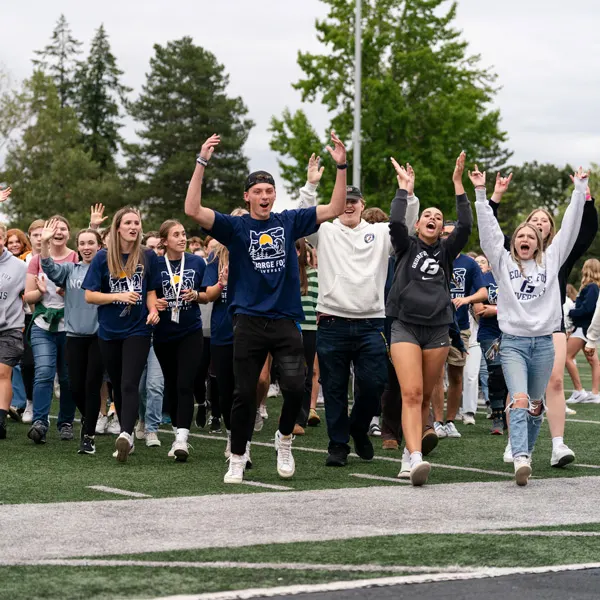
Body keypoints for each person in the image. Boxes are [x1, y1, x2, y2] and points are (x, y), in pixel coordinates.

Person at [184, 131, 348, 484]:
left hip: (285, 320)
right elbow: (192, 209)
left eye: (269, 191)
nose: (264, 196)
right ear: (247, 196)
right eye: (257, 191)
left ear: (274, 196)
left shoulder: (288, 221)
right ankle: (238, 456)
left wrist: (341, 166)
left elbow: (334, 208)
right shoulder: (237, 226)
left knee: (294, 387)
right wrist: (201, 161)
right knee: (244, 394)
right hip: (248, 322)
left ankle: (284, 438)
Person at [298, 155, 419, 466]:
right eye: (345, 200)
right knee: (335, 389)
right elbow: (301, 216)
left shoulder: (379, 233)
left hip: (370, 323)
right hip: (332, 321)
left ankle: (358, 427)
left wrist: (408, 193)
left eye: (354, 201)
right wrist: (311, 186)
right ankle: (338, 445)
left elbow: (405, 229)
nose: (349, 205)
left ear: (363, 205)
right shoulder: (324, 231)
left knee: (374, 384)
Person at [475, 165, 588, 485]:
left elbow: (568, 230)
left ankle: (531, 448)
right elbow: (489, 232)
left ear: (540, 243)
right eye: (520, 235)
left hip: (543, 343)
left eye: (531, 236)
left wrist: (579, 191)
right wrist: (482, 195)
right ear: (514, 243)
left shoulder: (552, 261)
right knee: (521, 398)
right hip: (513, 342)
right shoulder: (502, 261)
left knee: (537, 403)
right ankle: (521, 457)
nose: (525, 238)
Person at [386, 152, 472, 486]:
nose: (433, 218)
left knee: (422, 396)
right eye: (427, 215)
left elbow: (465, 225)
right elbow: (395, 222)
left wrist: (458, 184)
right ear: (418, 224)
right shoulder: (405, 246)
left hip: (437, 328)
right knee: (411, 392)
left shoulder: (447, 252)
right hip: (405, 324)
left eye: (438, 216)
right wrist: (404, 191)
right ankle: (415, 458)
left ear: (442, 228)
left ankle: (411, 452)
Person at [83, 207, 160, 462]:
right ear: (118, 228)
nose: (133, 227)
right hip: (109, 331)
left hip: (138, 329)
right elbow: (90, 295)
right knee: (117, 384)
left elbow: (151, 292)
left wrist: (152, 311)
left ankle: (126, 434)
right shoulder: (102, 257)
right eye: (128, 222)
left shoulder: (148, 256)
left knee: (129, 383)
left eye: (136, 222)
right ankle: (127, 425)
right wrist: (118, 296)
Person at [40, 221, 103, 454]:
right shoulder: (70, 269)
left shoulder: (106, 270)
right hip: (74, 335)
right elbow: (49, 269)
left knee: (92, 385)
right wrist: (45, 243)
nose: (87, 247)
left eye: (91, 243)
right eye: (83, 243)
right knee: (74, 386)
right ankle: (89, 418)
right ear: (77, 247)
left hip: (99, 337)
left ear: (99, 246)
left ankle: (88, 436)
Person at [151, 219, 206, 461]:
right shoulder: (154, 264)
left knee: (185, 383)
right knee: (171, 385)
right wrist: (155, 303)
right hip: (163, 332)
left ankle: (182, 438)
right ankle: (176, 432)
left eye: (184, 234)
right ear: (164, 241)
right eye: (176, 235)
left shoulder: (196, 261)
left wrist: (197, 294)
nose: (182, 238)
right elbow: (147, 295)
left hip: (190, 330)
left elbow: (207, 292)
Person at [23, 215, 78, 444]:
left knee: (67, 378)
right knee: (44, 372)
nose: (58, 232)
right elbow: (28, 296)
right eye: (54, 228)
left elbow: (83, 293)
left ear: (68, 232)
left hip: (70, 326)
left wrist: (69, 292)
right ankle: (40, 422)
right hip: (42, 324)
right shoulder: (36, 260)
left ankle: (65, 422)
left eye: (63, 228)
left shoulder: (75, 257)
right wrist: (42, 292)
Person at [431, 227, 487, 438]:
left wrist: (467, 299)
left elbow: (483, 291)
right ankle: (437, 421)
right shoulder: (431, 257)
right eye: (444, 233)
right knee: (436, 375)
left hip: (460, 326)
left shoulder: (470, 263)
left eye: (453, 233)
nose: (448, 237)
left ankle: (451, 420)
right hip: (434, 325)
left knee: (456, 374)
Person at [0, 221, 27, 439]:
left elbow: (32, 293)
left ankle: (0, 421)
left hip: (9, 328)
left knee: (2, 372)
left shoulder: (19, 267)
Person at [565, 259, 600, 403]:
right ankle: (595, 393)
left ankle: (580, 391)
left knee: (566, 356)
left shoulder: (592, 287)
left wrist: (571, 311)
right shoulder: (591, 287)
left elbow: (588, 309)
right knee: (593, 360)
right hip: (585, 327)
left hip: (583, 327)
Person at [293, 237, 319, 435]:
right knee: (290, 373)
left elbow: (318, 303)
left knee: (307, 373)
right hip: (289, 328)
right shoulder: (285, 273)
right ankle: (290, 413)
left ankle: (300, 417)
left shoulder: (314, 275)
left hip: (310, 329)